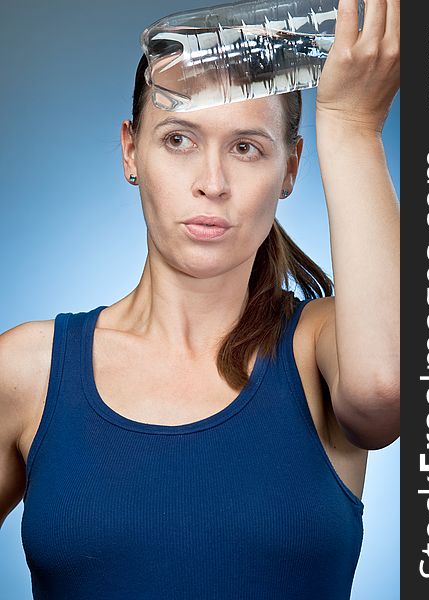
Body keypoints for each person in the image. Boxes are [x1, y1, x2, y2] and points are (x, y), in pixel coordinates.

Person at [0, 0, 399, 598]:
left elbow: (385, 394)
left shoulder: (321, 345)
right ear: (132, 152)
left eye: (246, 148)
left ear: (289, 169)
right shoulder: (28, 369)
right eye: (180, 138)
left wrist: (350, 124)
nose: (211, 182)